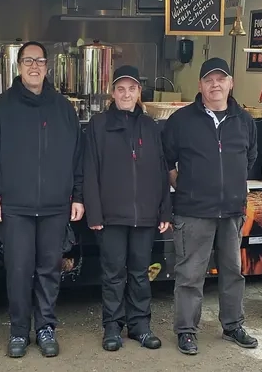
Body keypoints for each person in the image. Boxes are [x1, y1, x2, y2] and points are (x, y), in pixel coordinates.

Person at [0, 41, 85, 359]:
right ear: (19, 66)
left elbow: (77, 158)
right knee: (18, 269)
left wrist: (77, 196)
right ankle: (18, 331)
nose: (34, 66)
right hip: (16, 207)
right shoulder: (2, 106)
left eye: (39, 61)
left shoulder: (63, 107)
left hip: (55, 207)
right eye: (28, 61)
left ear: (47, 66)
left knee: (49, 270)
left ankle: (45, 328)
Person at [162, 57, 259, 355]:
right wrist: (185, 186)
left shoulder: (244, 121)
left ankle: (232, 326)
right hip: (193, 212)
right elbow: (166, 161)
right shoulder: (181, 121)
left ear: (231, 83)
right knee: (190, 275)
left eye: (221, 79)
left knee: (233, 272)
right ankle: (187, 331)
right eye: (209, 80)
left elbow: (249, 159)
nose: (215, 84)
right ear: (200, 85)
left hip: (231, 212)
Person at [83, 66, 171, 352]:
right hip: (111, 216)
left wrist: (164, 211)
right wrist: (94, 213)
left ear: (138, 93)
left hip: (145, 216)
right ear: (112, 93)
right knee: (112, 274)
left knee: (139, 273)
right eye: (120, 89)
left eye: (131, 89)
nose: (126, 94)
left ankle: (140, 327)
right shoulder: (98, 124)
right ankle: (112, 328)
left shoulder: (150, 126)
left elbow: (161, 170)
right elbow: (90, 170)